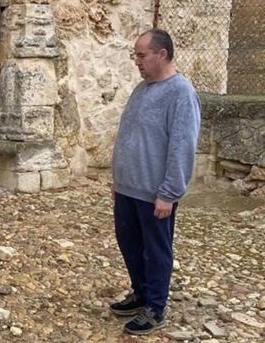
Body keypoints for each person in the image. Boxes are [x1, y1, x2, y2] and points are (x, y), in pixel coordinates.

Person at [109, 28, 201, 335]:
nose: (137, 61)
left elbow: (182, 146)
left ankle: (155, 307)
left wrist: (169, 193)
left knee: (156, 250)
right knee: (129, 244)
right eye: (135, 55)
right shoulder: (142, 89)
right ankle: (141, 293)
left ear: (161, 54)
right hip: (127, 188)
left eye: (141, 55)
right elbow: (132, 137)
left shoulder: (181, 93)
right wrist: (118, 179)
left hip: (155, 193)